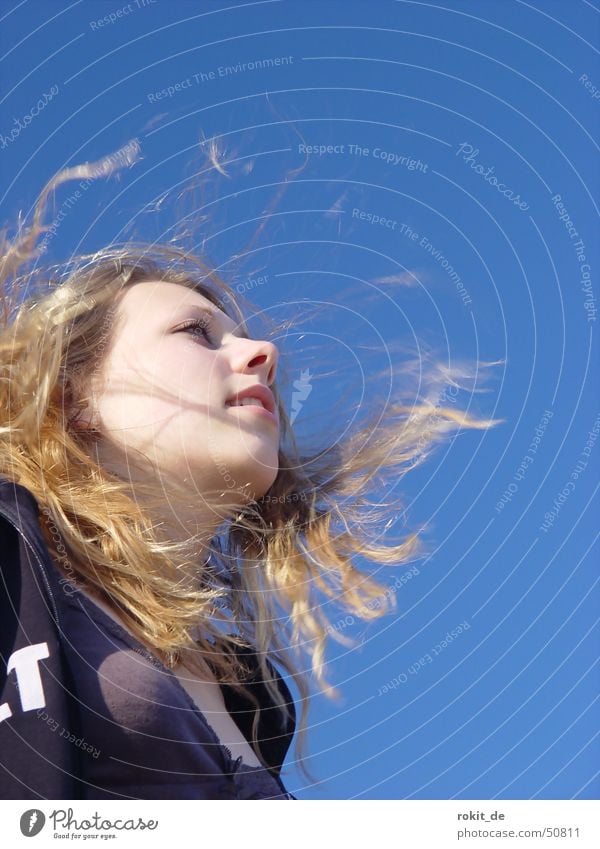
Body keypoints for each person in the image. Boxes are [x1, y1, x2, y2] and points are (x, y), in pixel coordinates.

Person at [0, 146, 503, 800]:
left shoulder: (246, 689)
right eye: (196, 333)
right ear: (75, 398)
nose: (261, 354)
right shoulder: (13, 566)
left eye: (243, 337)